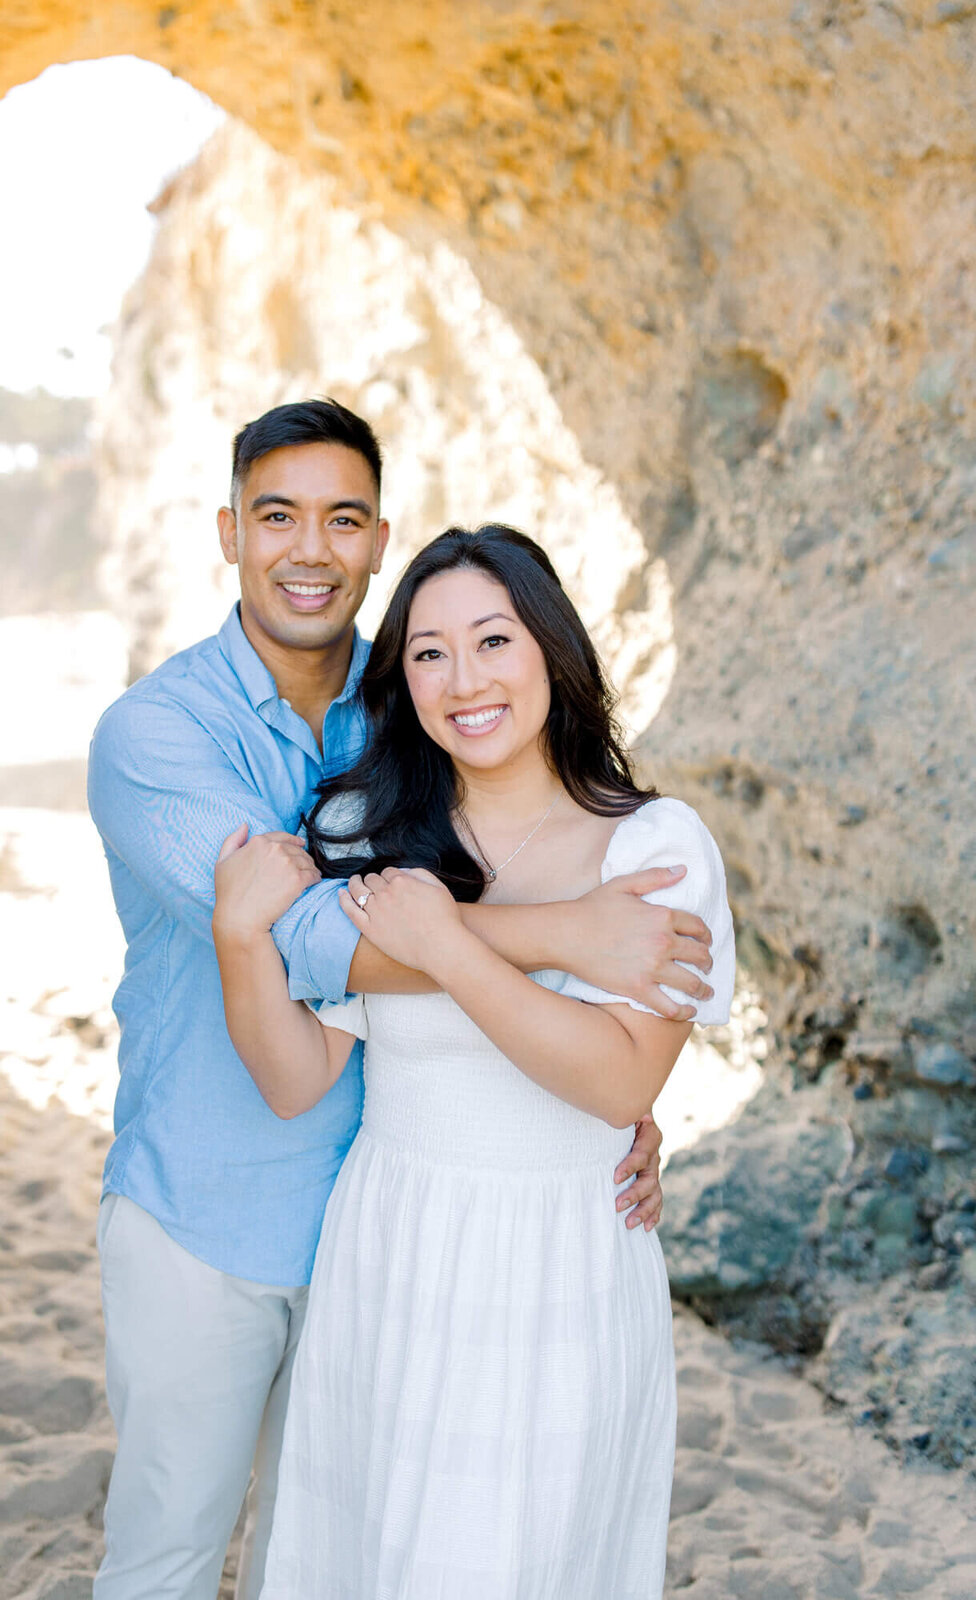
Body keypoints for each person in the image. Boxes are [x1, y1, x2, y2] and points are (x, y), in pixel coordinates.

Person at [87, 402, 720, 1600]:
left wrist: (610, 1105)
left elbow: (555, 994)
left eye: (341, 518)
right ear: (229, 533)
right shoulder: (156, 734)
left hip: (381, 1237)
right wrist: (567, 940)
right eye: (276, 516)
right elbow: (324, 941)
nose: (308, 549)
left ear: (381, 538)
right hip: (209, 1215)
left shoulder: (415, 729)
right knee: (168, 1556)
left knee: (330, 1560)